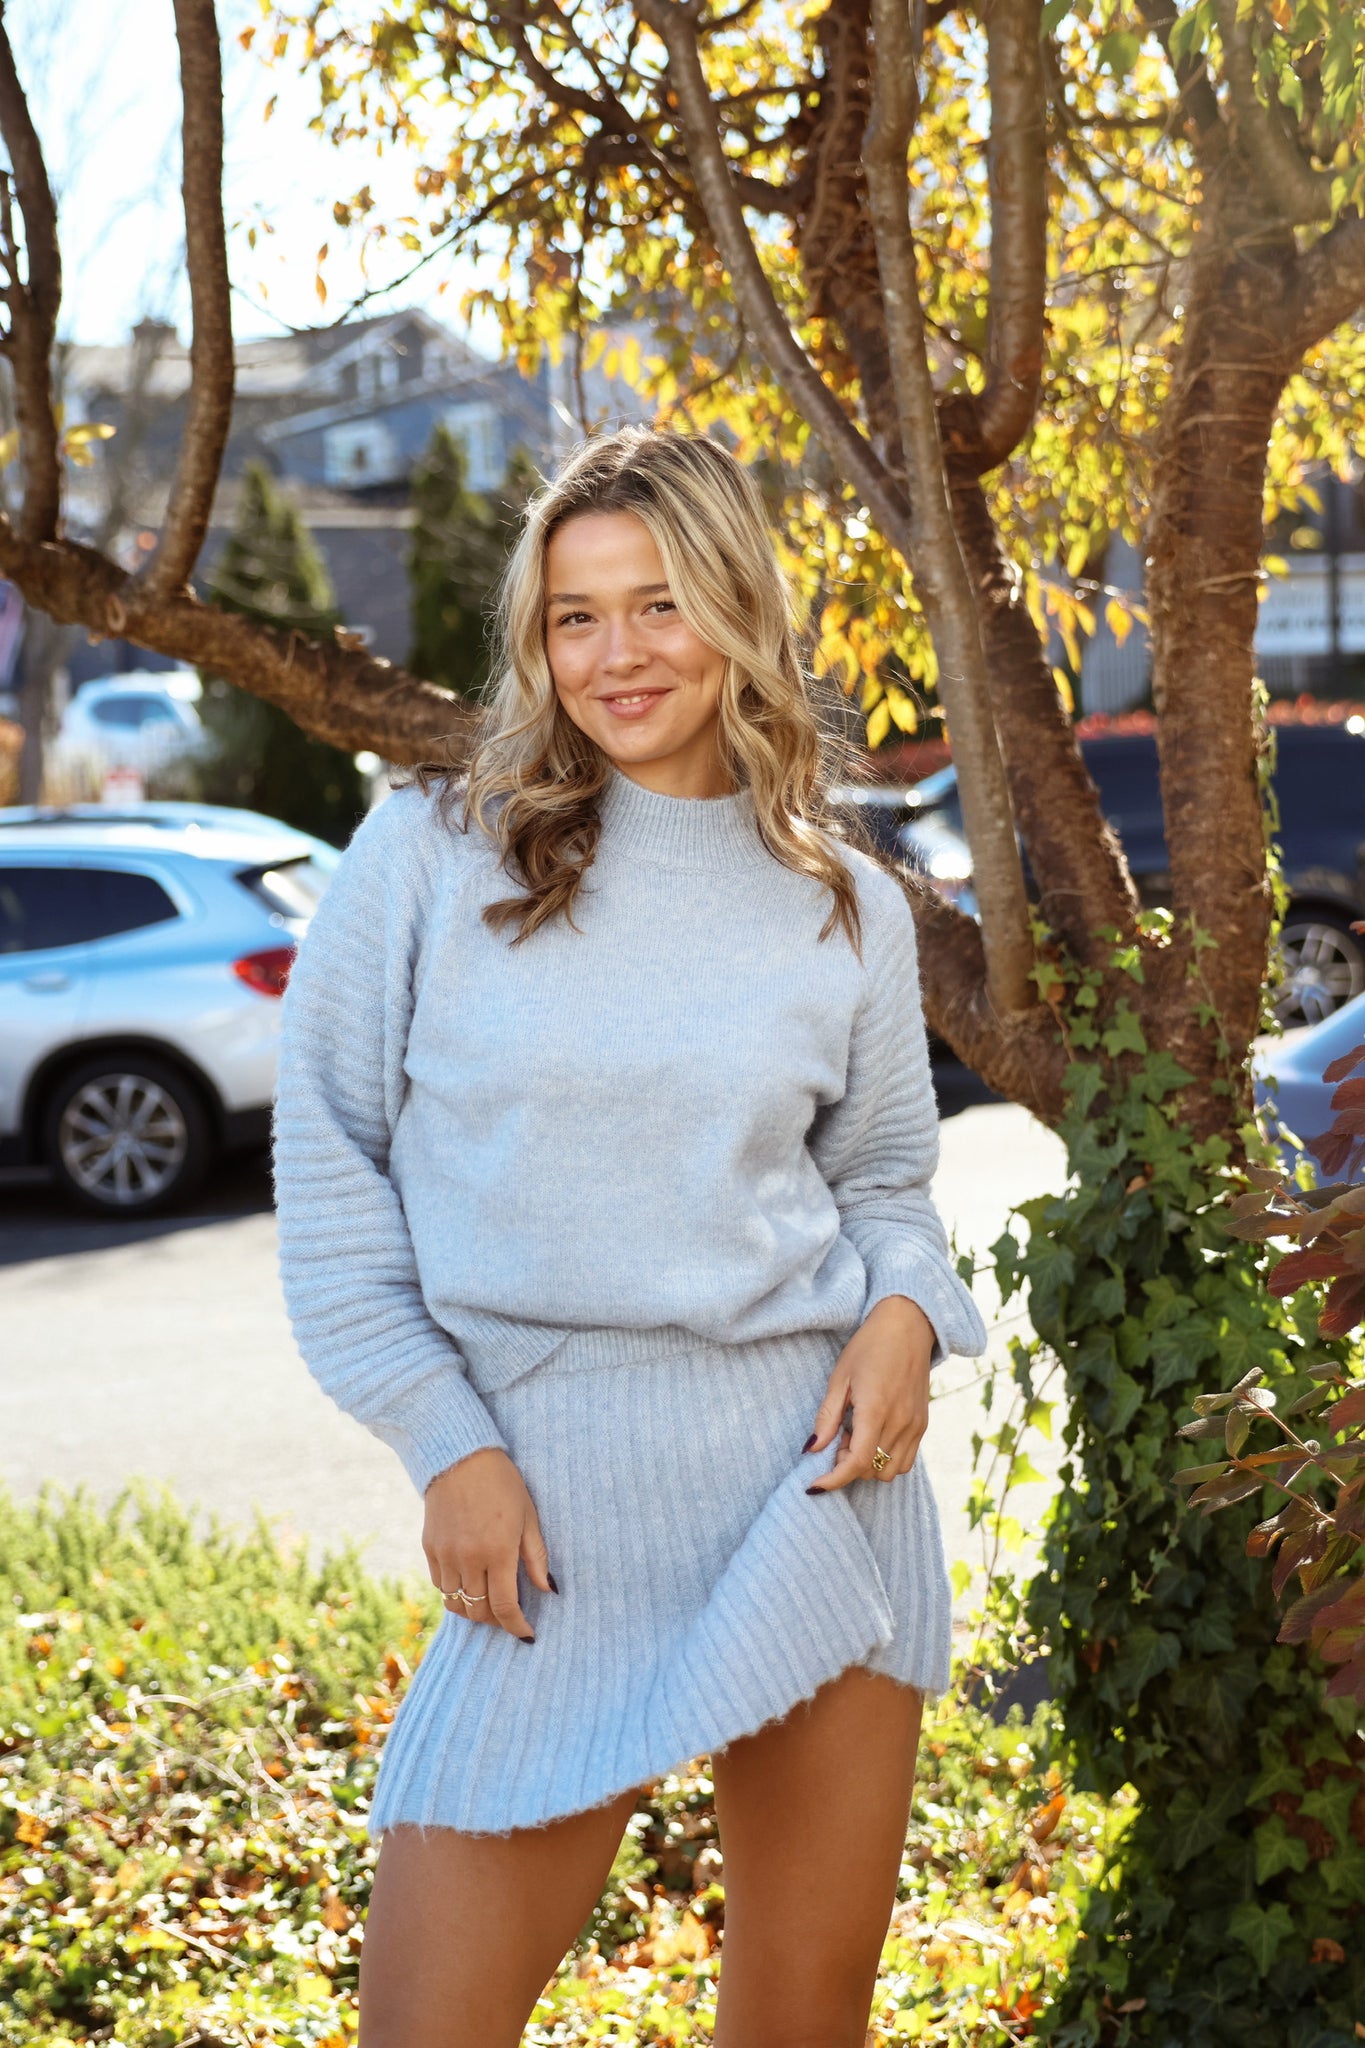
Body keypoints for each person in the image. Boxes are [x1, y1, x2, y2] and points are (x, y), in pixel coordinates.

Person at [272, 425, 988, 2048]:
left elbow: (881, 1182)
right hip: (543, 1507)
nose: (616, 654)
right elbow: (330, 1172)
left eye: (657, 604)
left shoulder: (843, 904)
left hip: (816, 1493)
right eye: (573, 614)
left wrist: (906, 1321)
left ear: (734, 606)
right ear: (533, 637)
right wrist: (445, 1443)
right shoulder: (431, 852)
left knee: (801, 2017)